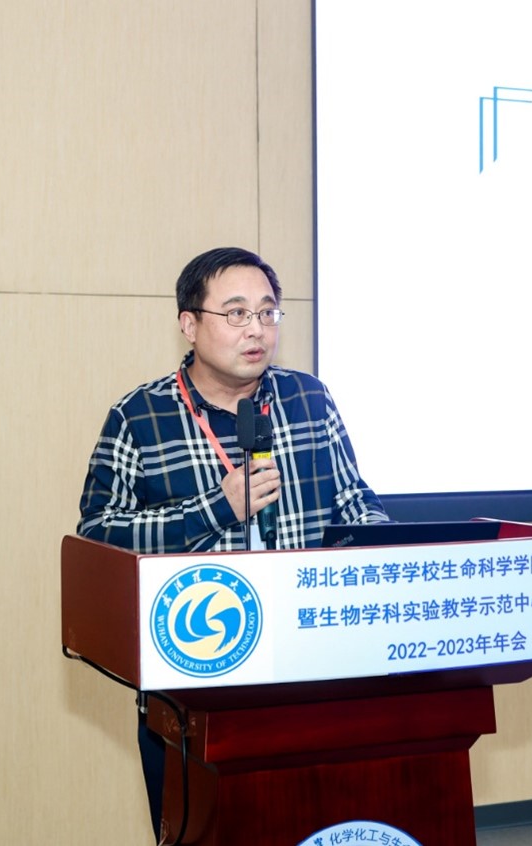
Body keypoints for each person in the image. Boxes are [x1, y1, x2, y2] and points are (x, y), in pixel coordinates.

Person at [76, 246, 389, 841]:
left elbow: (354, 503)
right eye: (237, 313)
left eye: (268, 313)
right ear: (189, 324)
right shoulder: (139, 417)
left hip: (314, 668)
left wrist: (398, 551)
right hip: (196, 678)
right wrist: (217, 508)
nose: (257, 330)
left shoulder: (309, 399)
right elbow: (99, 535)